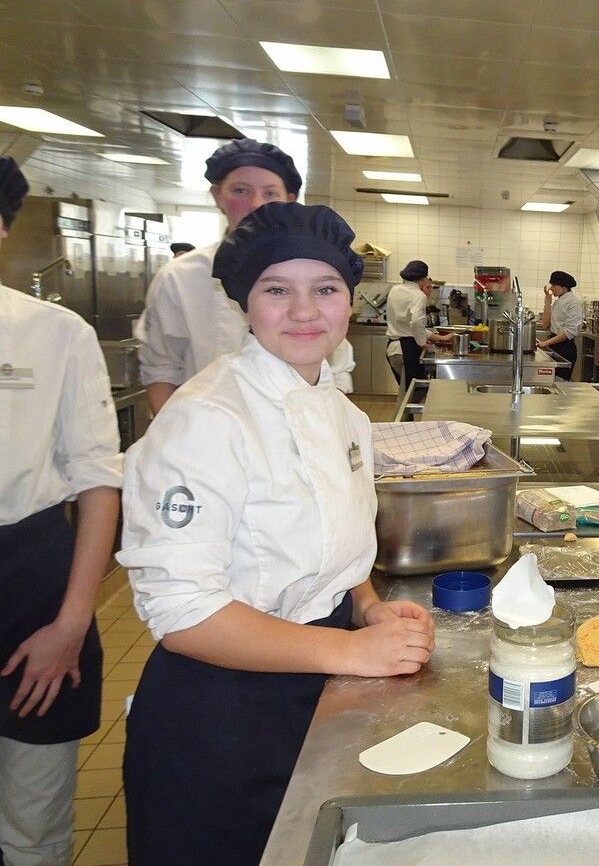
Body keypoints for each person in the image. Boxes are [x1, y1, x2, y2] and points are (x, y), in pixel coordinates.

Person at [118, 202, 436, 866]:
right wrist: (352, 651)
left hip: (315, 691)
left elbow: (336, 548)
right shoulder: (206, 418)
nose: (304, 311)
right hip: (219, 713)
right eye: (276, 290)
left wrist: (367, 607)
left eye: (325, 288)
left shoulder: (344, 415)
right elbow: (183, 614)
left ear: (349, 301)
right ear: (245, 304)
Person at [0, 156, 122, 865]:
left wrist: (72, 622)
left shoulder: (53, 332)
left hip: (30, 584)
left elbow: (98, 481)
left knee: (31, 818)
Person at [135, 138, 355, 414]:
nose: (256, 204)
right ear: (217, 196)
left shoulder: (314, 267)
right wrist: (180, 431)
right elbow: (161, 369)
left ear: (289, 200)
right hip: (207, 427)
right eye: (240, 191)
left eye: (270, 193)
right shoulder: (180, 277)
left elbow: (335, 367)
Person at [385, 259, 452, 389]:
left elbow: (411, 327)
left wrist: (440, 338)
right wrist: (422, 344)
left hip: (392, 349)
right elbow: (416, 323)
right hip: (407, 349)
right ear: (422, 279)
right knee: (414, 392)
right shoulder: (419, 296)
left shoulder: (394, 290)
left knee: (405, 390)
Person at [536, 270, 583, 375]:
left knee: (560, 380)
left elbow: (569, 332)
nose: (551, 288)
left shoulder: (574, 303)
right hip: (554, 346)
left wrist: (547, 343)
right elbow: (545, 324)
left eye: (554, 285)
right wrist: (548, 302)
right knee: (550, 378)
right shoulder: (558, 302)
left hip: (565, 348)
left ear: (563, 287)